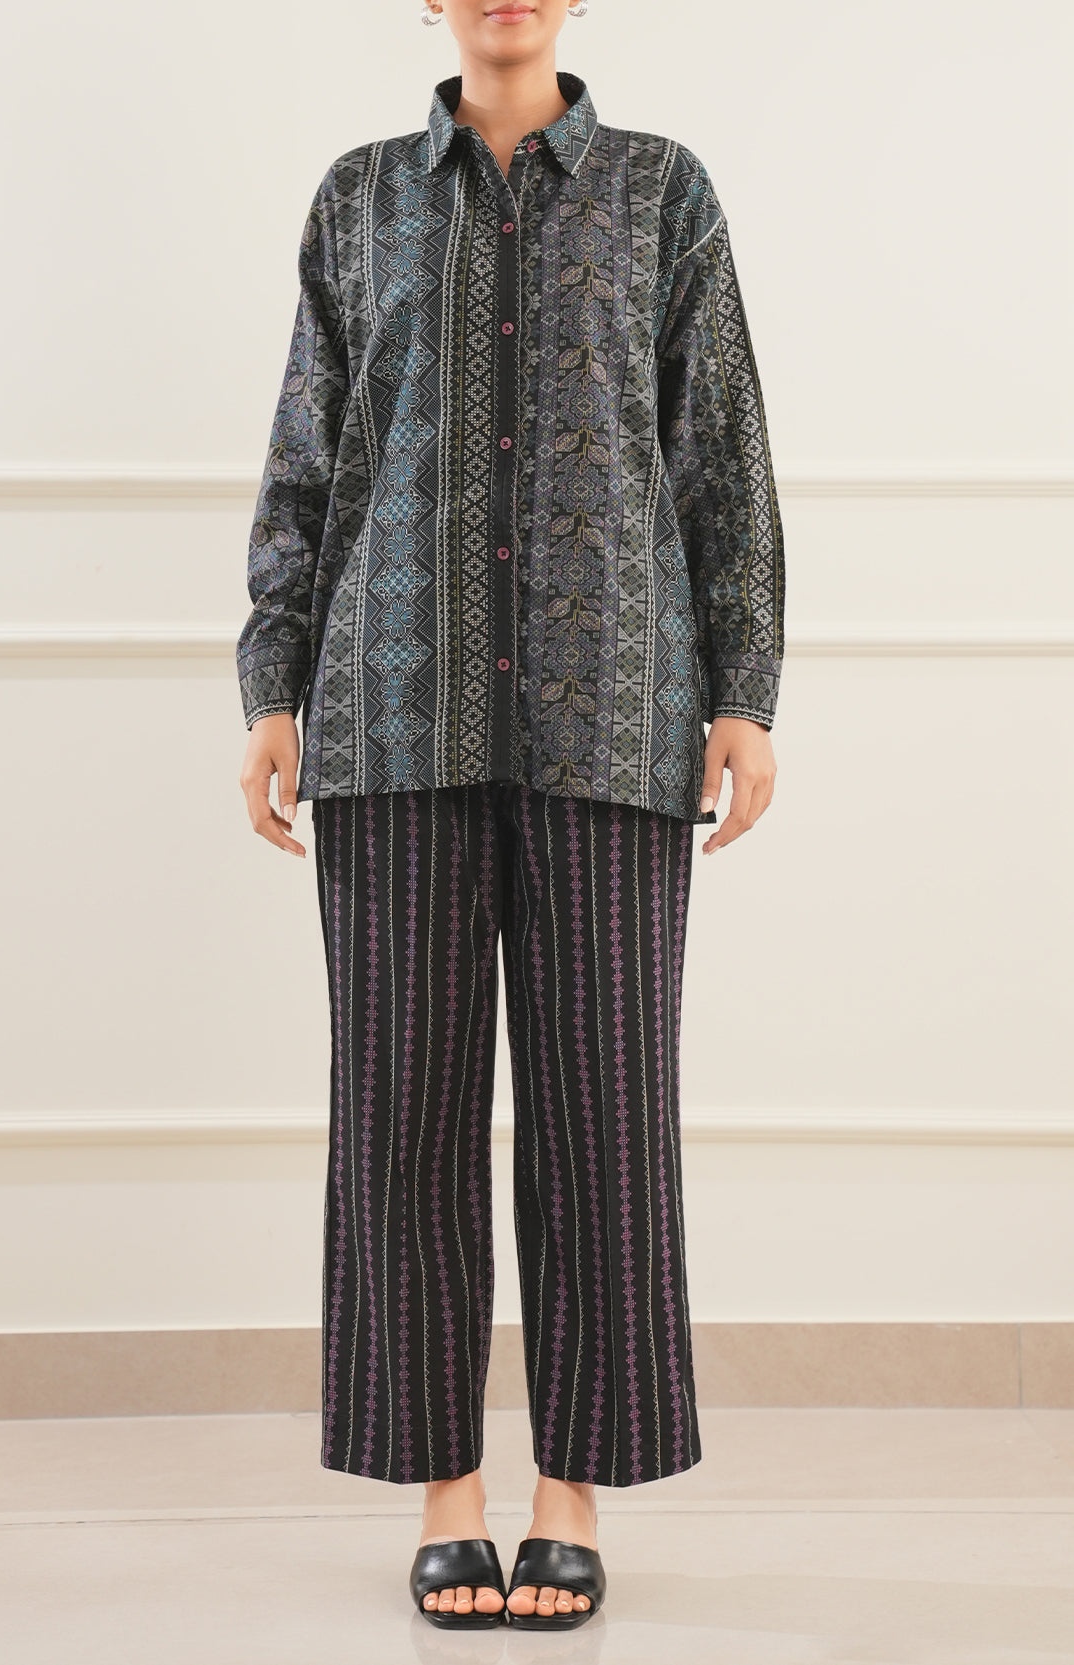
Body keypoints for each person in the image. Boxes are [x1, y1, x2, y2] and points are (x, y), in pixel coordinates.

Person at [236, 0, 784, 1631]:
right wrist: (272, 682)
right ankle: (444, 1498)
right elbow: (306, 454)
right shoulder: (358, 196)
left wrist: (744, 689)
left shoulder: (664, 190)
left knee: (603, 1119)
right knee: (397, 1122)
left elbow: (719, 445)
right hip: (385, 714)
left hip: (611, 715)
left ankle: (570, 1497)